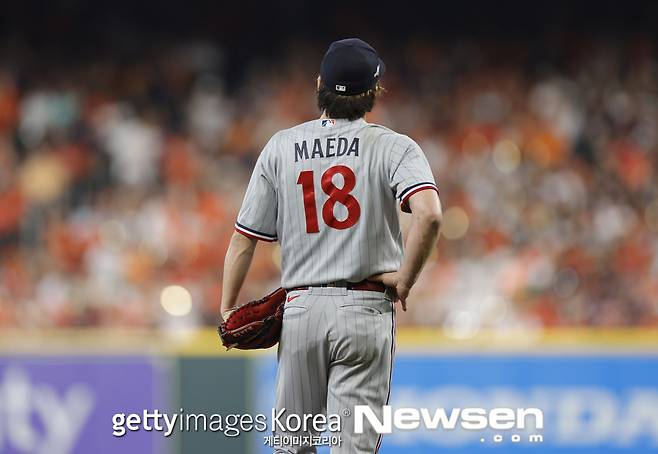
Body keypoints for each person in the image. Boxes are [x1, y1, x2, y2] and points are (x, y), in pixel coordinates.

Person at [220, 38, 442, 453]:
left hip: (301, 310)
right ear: (374, 91)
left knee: (292, 447)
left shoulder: (281, 146)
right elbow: (428, 214)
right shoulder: (395, 146)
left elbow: (244, 238)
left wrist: (227, 307)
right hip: (365, 309)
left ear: (319, 83)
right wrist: (405, 280)